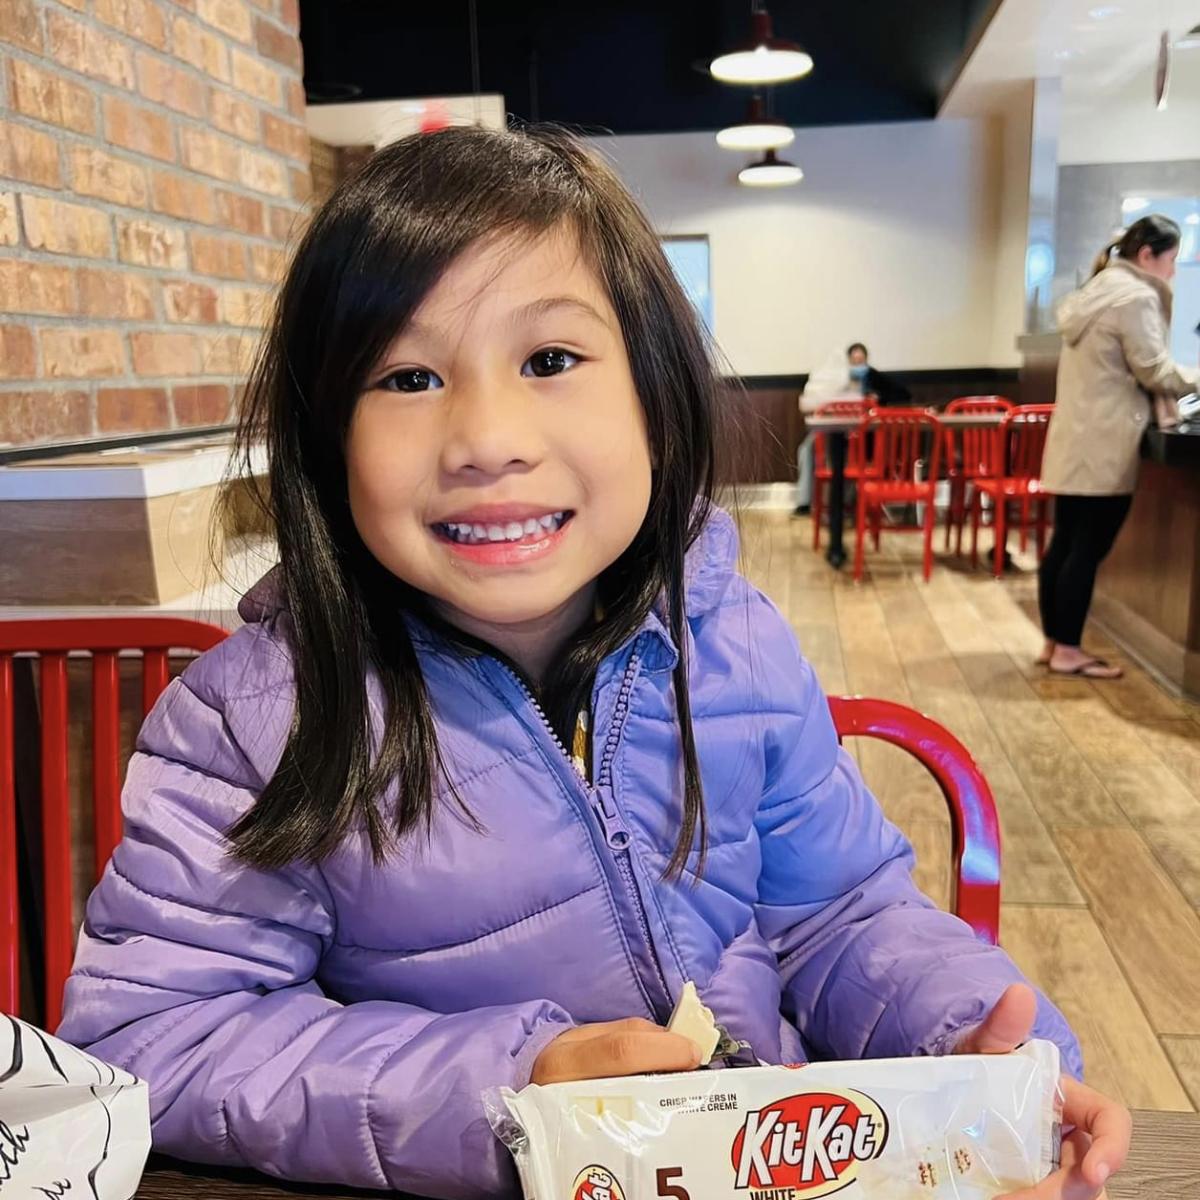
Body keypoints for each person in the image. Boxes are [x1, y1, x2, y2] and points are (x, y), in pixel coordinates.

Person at [58, 127, 1127, 1199]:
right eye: (408, 376)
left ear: (653, 397)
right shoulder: (257, 721)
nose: (488, 439)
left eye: (550, 361)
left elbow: (841, 915)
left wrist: (971, 1048)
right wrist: (512, 1092)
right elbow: (157, 1034)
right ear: (328, 438)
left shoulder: (733, 638)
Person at [1039, 215, 1199, 678]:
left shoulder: (1096, 290)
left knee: (1066, 541)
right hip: (1108, 440)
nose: (1173, 271)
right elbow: (1154, 368)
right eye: (1171, 259)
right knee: (1087, 547)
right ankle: (1069, 649)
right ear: (1147, 255)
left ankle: (1054, 643)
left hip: (1075, 437)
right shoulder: (1136, 296)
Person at [794, 343, 910, 515]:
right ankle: (804, 502)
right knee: (807, 449)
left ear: (866, 360)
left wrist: (878, 398)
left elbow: (903, 394)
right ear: (848, 361)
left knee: (850, 454)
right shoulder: (836, 378)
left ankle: (846, 503)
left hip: (863, 435)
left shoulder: (873, 377)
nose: (858, 364)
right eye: (854, 360)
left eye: (861, 360)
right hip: (830, 430)